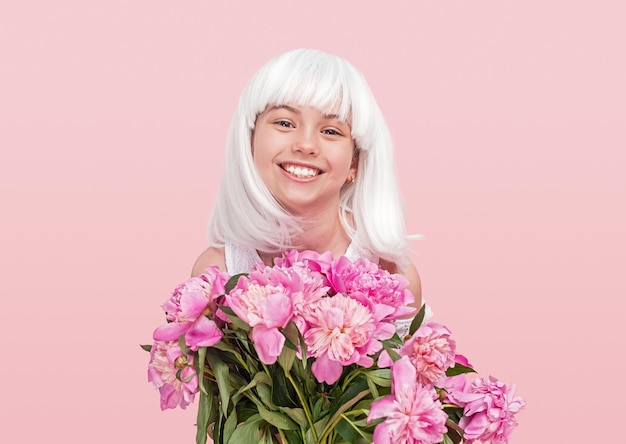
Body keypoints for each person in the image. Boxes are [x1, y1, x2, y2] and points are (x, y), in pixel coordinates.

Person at [191, 48, 430, 331]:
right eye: (284, 123)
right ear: (251, 141)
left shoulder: (390, 277)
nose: (305, 144)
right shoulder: (216, 273)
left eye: (331, 131)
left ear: (355, 161)